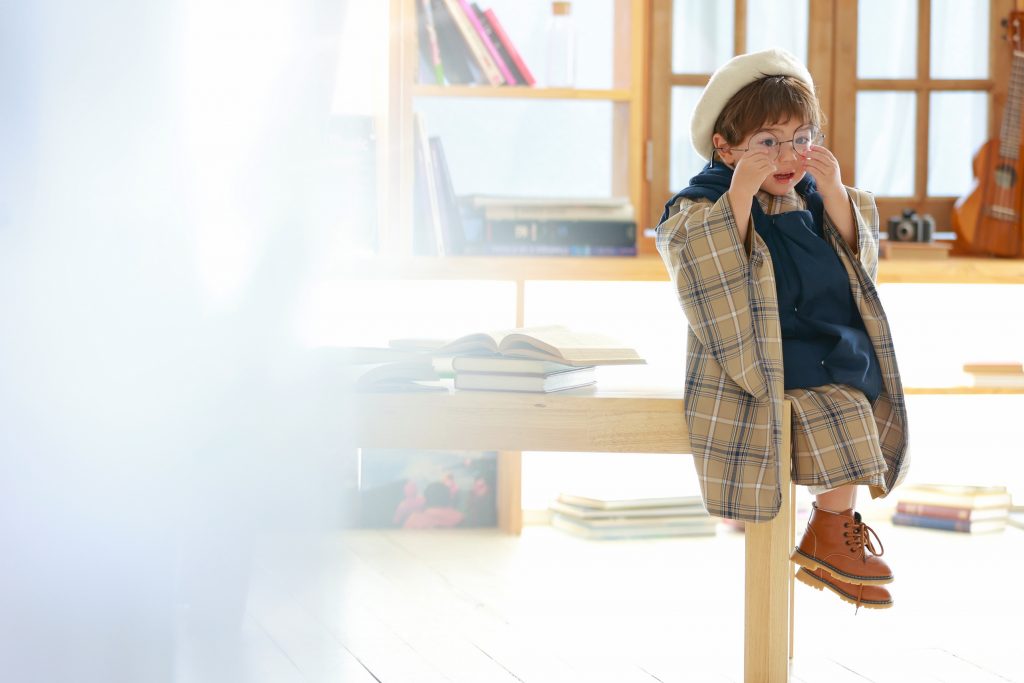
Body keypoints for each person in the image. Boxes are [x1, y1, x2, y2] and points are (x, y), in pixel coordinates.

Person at [655, 48, 910, 612]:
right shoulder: (702, 205)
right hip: (759, 350)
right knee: (837, 402)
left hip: (820, 338)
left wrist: (837, 191)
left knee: (856, 383)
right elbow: (710, 270)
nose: (786, 155)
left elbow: (855, 264)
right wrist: (740, 195)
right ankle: (831, 528)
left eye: (800, 138)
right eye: (766, 141)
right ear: (724, 145)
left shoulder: (809, 196)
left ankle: (829, 528)